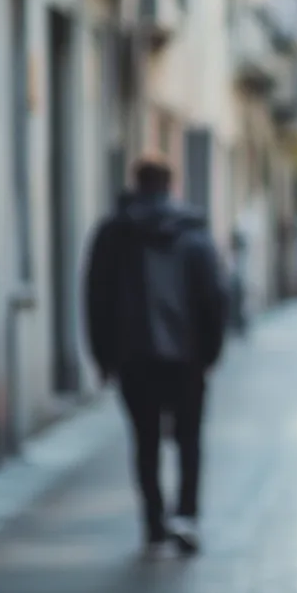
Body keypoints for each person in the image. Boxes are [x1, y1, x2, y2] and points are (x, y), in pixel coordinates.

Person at [84, 155, 228, 559]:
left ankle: (153, 521)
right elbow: (214, 299)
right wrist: (211, 352)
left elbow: (96, 297)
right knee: (189, 439)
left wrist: (102, 356)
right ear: (170, 185)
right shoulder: (193, 234)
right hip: (187, 358)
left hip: (134, 357)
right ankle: (186, 517)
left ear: (136, 182)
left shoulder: (112, 233)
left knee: (144, 441)